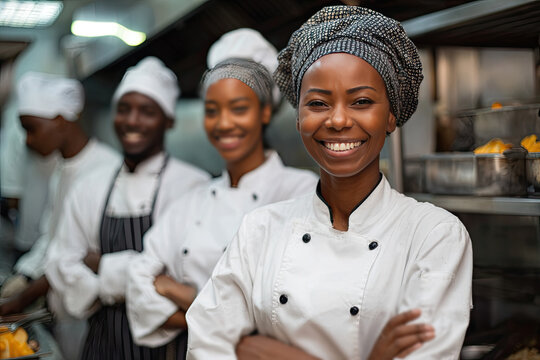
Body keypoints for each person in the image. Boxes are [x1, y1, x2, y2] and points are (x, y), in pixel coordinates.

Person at [186, 6, 473, 360]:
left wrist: (259, 350)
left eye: (362, 101)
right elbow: (207, 346)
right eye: (319, 103)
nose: (338, 120)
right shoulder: (259, 230)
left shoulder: (434, 235)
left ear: (391, 115)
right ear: (299, 117)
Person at [126, 28, 318, 357]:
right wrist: (229, 324)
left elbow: (288, 307)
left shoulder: (301, 191)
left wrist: (181, 293)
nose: (223, 123)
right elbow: (139, 280)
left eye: (238, 108)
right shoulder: (193, 200)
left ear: (265, 112)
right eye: (212, 110)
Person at [44, 56, 210, 360]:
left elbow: (194, 287)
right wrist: (148, 278)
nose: (132, 120)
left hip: (169, 349)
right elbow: (61, 263)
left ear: (169, 120)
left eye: (147, 111)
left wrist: (102, 266)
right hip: (100, 347)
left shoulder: (194, 187)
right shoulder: (90, 187)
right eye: (124, 109)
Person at [0, 72, 121, 358]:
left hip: (93, 311)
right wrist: (23, 276)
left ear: (61, 120)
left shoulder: (105, 170)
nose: (28, 141)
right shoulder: (62, 168)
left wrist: (22, 298)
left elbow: (83, 255)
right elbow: (50, 236)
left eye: (32, 129)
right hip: (61, 307)